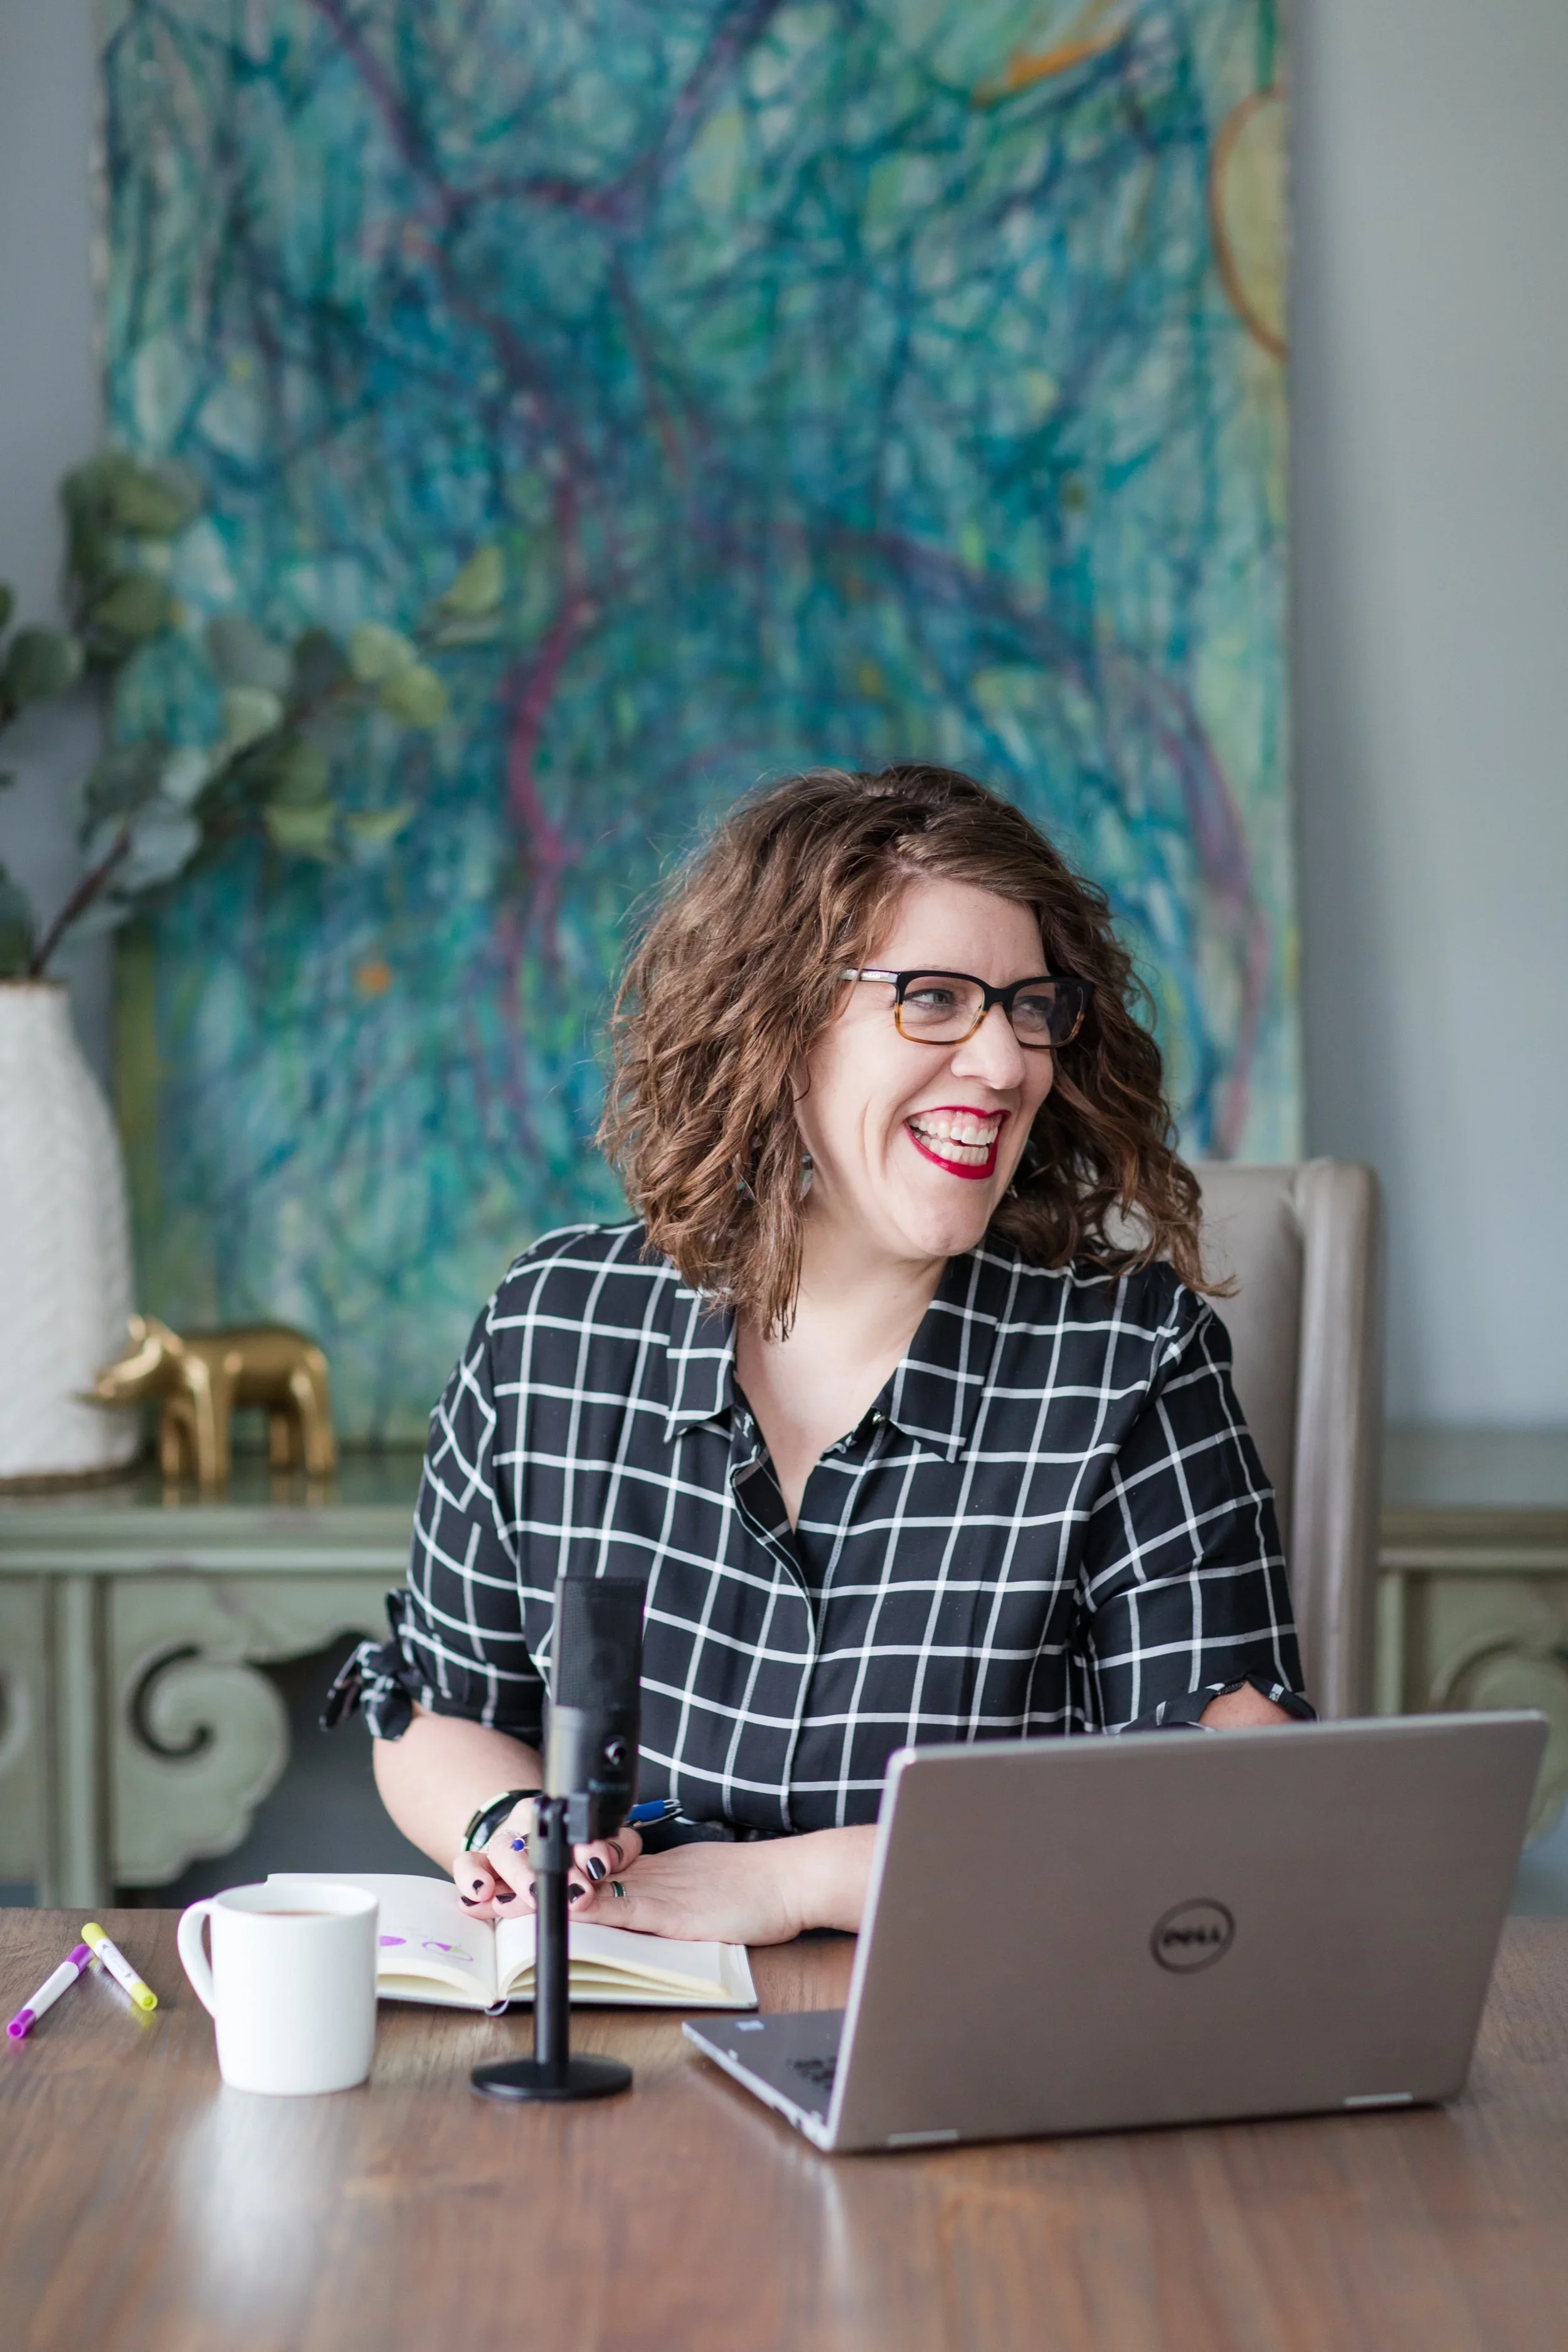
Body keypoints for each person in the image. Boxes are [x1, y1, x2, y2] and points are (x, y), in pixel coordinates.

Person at [329, 764, 1310, 1946]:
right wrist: (506, 1821)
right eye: (936, 998)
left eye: (1030, 1006)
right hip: (619, 2046)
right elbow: (437, 1706)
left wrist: (790, 1882)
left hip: (981, 2045)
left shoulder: (1132, 1360)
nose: (1005, 1064)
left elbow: (1232, 1791)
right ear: (778, 1026)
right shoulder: (554, 1326)